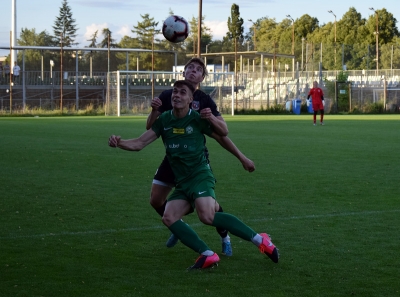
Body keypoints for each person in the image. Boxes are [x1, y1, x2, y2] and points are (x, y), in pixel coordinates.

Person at [108, 80, 279, 269]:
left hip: (200, 176)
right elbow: (140, 143)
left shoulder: (197, 119)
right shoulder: (164, 120)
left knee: (206, 216)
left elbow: (223, 135)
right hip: (182, 182)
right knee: (168, 216)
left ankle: (260, 239)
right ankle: (207, 254)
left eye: (182, 92)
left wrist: (242, 158)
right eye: (175, 92)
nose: (177, 95)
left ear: (191, 99)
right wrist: (119, 142)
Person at [146, 57, 255, 256]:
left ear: (202, 77)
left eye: (198, 69)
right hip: (173, 159)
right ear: (183, 72)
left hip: (196, 160)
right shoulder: (170, 94)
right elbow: (150, 127)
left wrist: (242, 157)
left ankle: (225, 236)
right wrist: (154, 110)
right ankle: (178, 226)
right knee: (155, 200)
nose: (193, 71)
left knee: (209, 208)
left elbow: (222, 134)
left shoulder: (204, 101)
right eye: (190, 68)